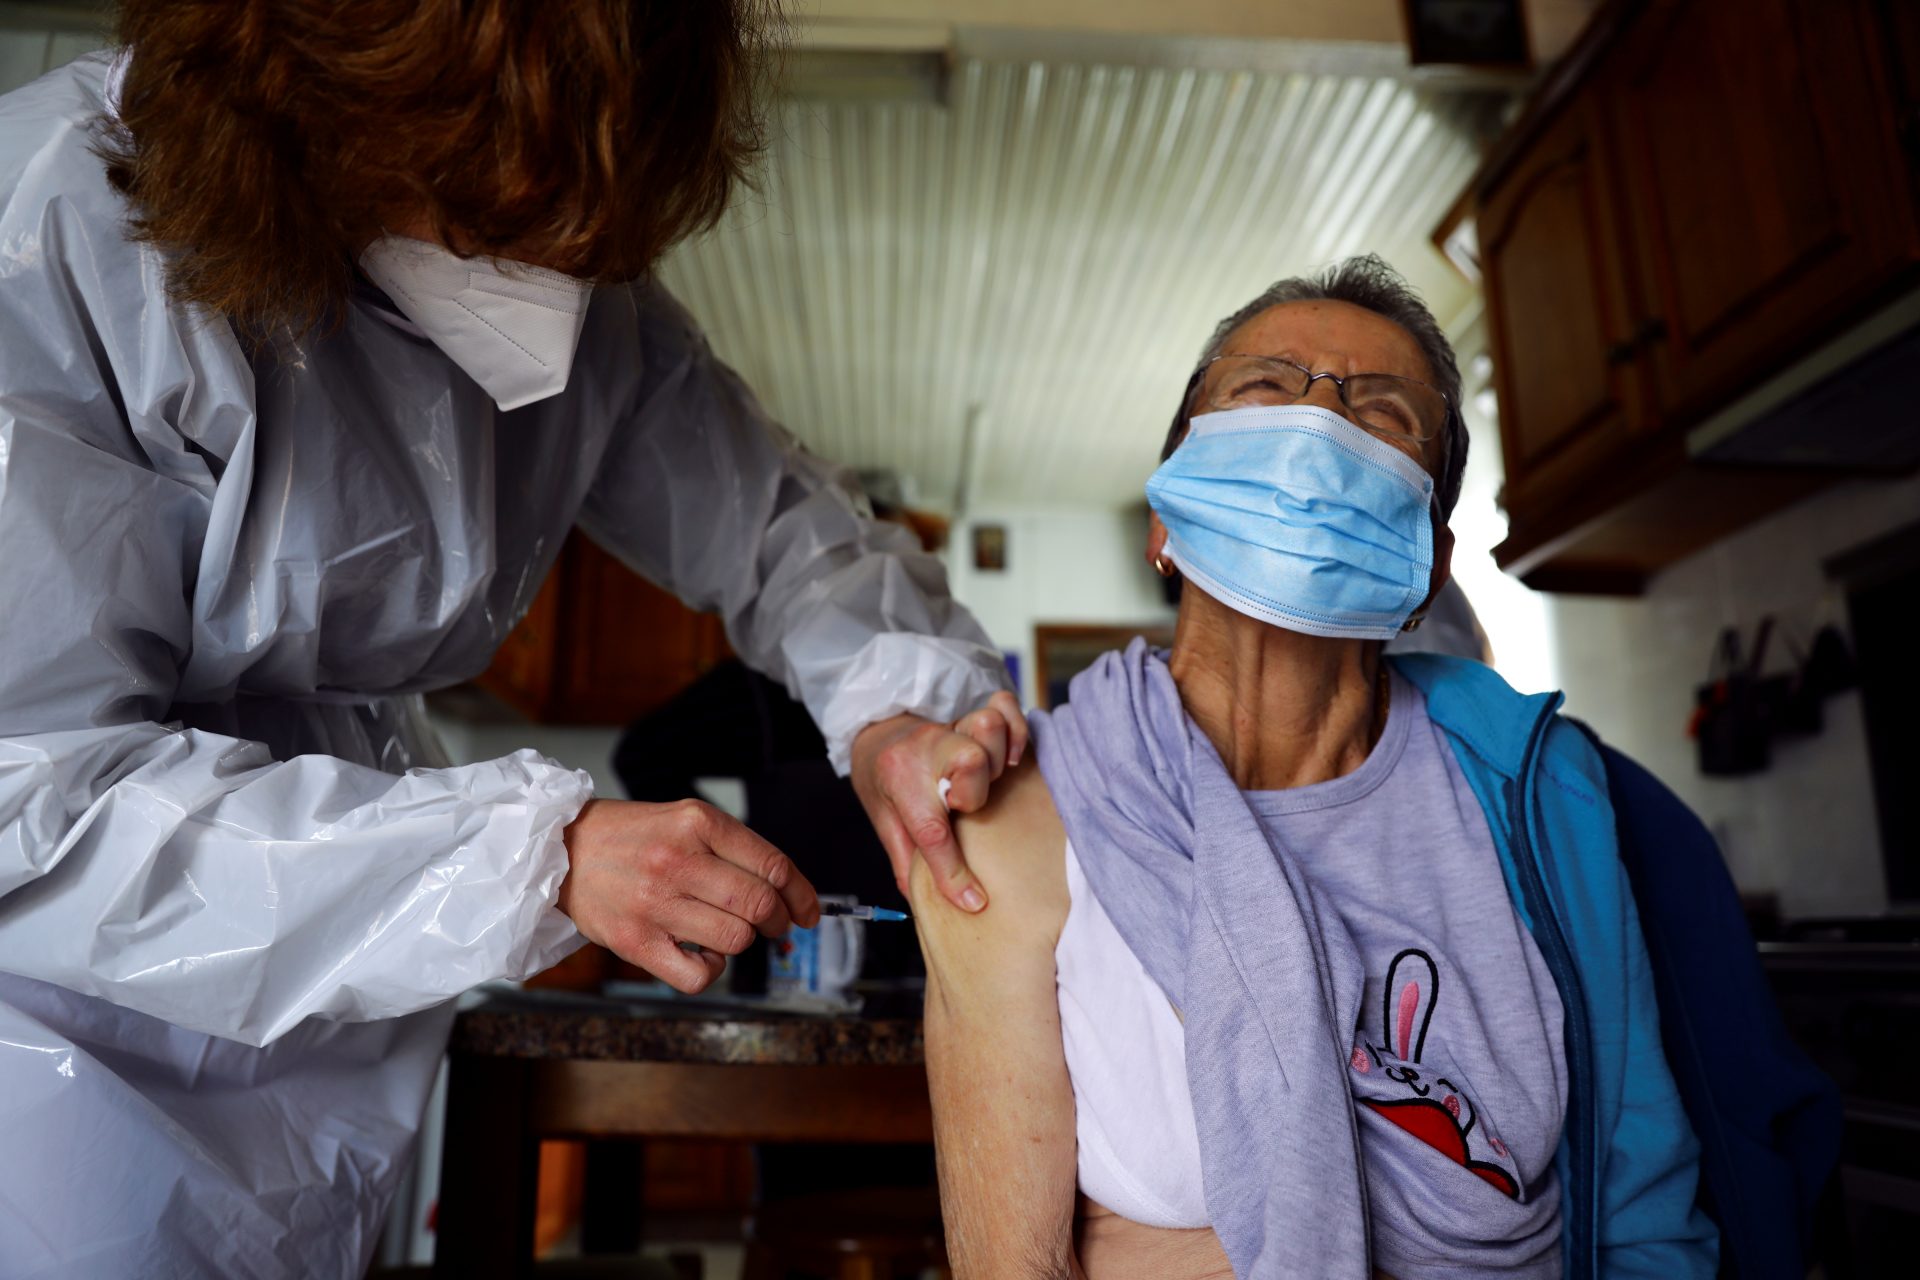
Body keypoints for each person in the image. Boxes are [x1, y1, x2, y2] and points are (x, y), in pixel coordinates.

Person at [0, 4, 1022, 1275]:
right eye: (493, 215)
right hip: (52, 1049)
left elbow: (769, 523)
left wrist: (897, 701)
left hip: (324, 1059)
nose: (552, 287)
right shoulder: (49, 242)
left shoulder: (579, 288)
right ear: (338, 100)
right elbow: (34, 801)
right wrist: (523, 859)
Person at [909, 256, 1720, 1279]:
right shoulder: (1017, 817)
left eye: (1382, 415)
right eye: (1265, 389)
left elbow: (1642, 1200)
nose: (1318, 431)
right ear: (1168, 513)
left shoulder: (1544, 792)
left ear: (1428, 558)